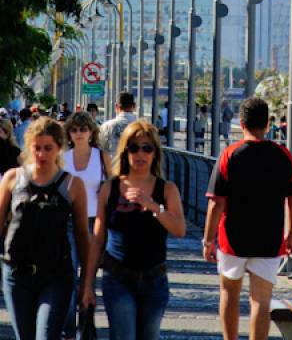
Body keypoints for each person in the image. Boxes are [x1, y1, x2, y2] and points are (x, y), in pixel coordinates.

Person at [203, 96, 292, 340]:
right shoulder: (283, 156)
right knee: (261, 301)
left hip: (232, 240)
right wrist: (291, 234)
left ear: (241, 122)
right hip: (269, 240)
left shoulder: (229, 155)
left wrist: (208, 240)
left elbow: (216, 203)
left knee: (229, 294)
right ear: (268, 123)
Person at [81, 120, 186, 340]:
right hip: (117, 276)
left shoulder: (166, 189)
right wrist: (88, 284)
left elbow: (179, 229)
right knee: (123, 335)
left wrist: (154, 207)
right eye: (134, 148)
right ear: (125, 151)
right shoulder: (110, 188)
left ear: (155, 153)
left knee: (149, 335)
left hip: (154, 278)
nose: (140, 154)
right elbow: (98, 238)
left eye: (147, 148)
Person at [0, 117, 89, 340]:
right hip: (16, 274)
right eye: (36, 148)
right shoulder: (13, 179)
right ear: (29, 148)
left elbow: (81, 236)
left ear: (59, 148)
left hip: (56, 275)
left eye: (48, 148)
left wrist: (86, 283)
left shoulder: (72, 185)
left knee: (46, 335)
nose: (42, 155)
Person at [62, 111, 112, 340]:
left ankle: (86, 325)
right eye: (74, 130)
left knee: (88, 276)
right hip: (69, 221)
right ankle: (69, 329)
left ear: (91, 132)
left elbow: (113, 187)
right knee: (69, 274)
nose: (79, 134)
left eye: (83, 129)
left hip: (94, 221)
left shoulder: (101, 157)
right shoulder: (63, 158)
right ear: (68, 134)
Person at [100, 91, 137, 159]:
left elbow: (100, 151)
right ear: (134, 106)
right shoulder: (142, 127)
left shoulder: (106, 127)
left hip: (111, 167)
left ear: (117, 106)